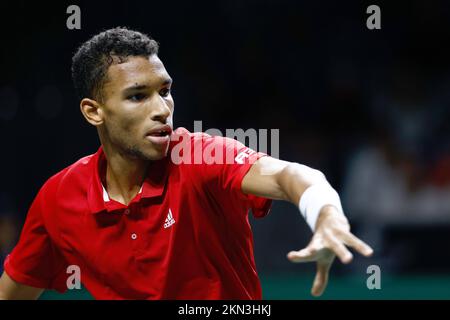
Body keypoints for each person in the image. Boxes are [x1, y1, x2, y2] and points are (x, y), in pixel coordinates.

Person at [0, 27, 373, 300]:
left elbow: (291, 175)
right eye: (137, 96)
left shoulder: (200, 158)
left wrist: (324, 211)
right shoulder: (60, 198)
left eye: (165, 91)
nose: (162, 110)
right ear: (93, 111)